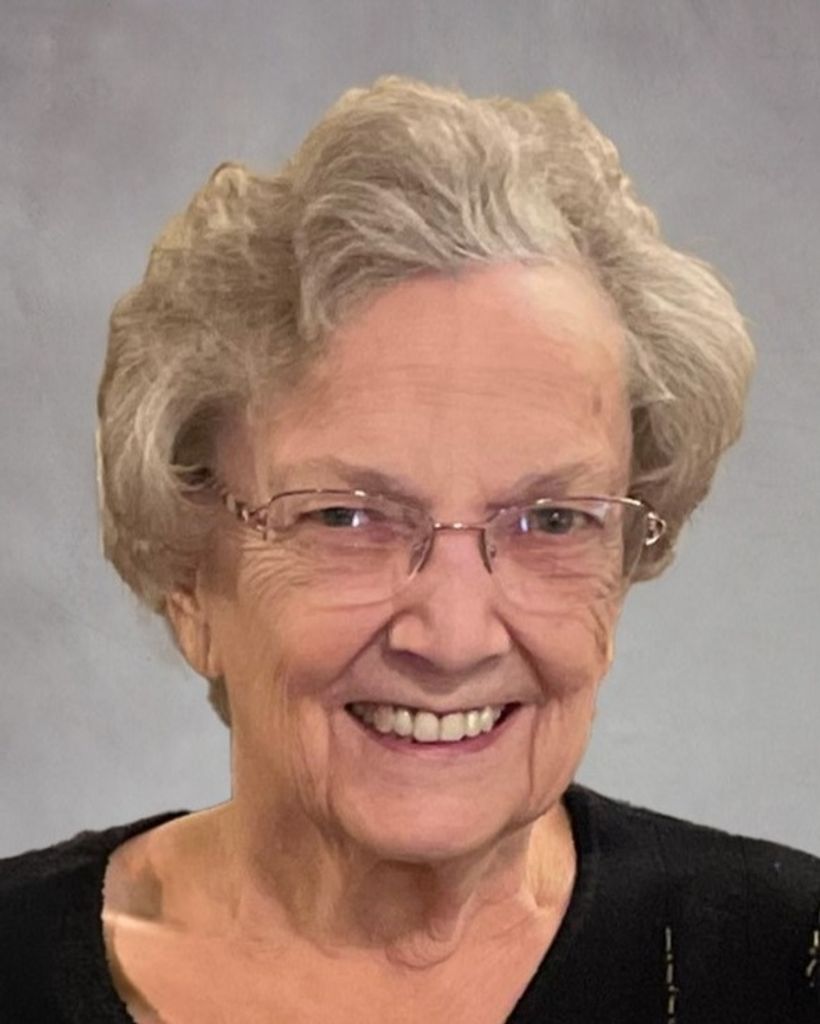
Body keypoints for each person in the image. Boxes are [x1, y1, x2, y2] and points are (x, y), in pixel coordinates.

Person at [1, 75, 818, 1024]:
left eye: (553, 521)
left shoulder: (784, 966)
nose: (454, 636)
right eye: (347, 519)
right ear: (190, 580)